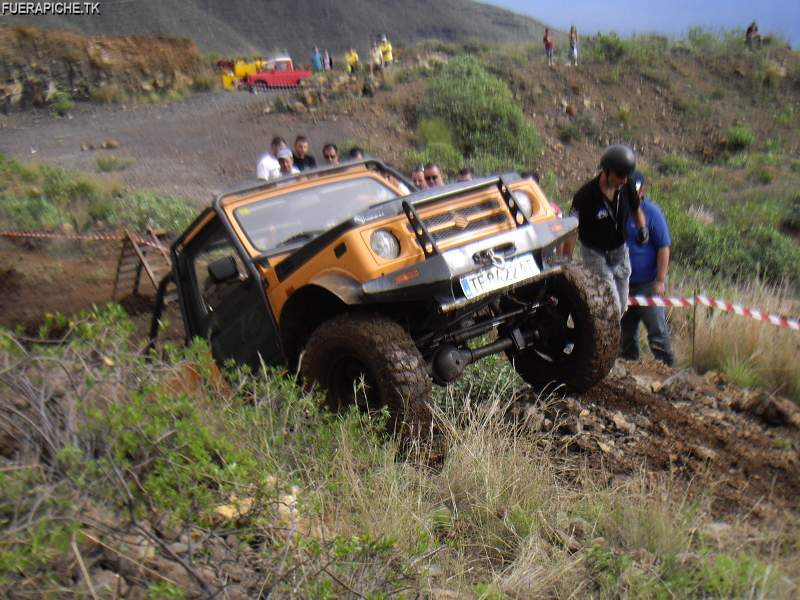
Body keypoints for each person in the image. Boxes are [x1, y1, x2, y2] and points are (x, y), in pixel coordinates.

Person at [563, 144, 648, 317]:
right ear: (607, 171)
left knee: (622, 305)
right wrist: (566, 260)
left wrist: (642, 228)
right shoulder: (585, 196)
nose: (623, 181)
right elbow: (572, 229)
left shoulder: (627, 186)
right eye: (619, 176)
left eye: (626, 177)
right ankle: (607, 342)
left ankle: (604, 338)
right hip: (595, 255)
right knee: (611, 305)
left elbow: (636, 209)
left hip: (620, 252)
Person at [621, 172, 675, 366]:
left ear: (642, 191)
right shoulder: (618, 211)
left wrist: (660, 280)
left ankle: (668, 367)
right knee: (624, 335)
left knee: (657, 331)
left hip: (648, 285)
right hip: (623, 284)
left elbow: (663, 247)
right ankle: (629, 371)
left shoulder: (652, 213)